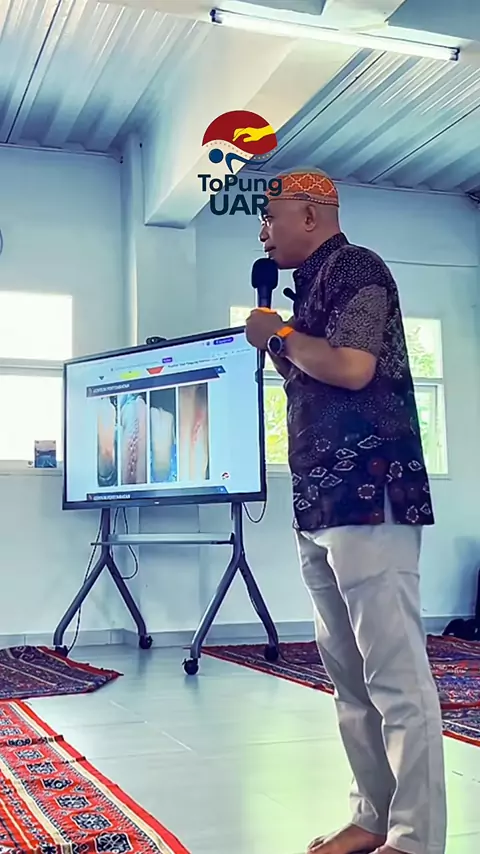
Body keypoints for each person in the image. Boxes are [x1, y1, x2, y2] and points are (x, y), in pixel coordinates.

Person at [244, 169, 446, 854]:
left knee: (394, 674)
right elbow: (314, 376)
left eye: (270, 216)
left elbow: (354, 367)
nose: (263, 232)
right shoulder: (305, 291)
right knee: (349, 677)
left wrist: (277, 335)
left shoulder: (358, 266)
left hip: (370, 492)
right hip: (320, 498)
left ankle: (416, 839)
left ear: (310, 214)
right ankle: (372, 818)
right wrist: (284, 335)